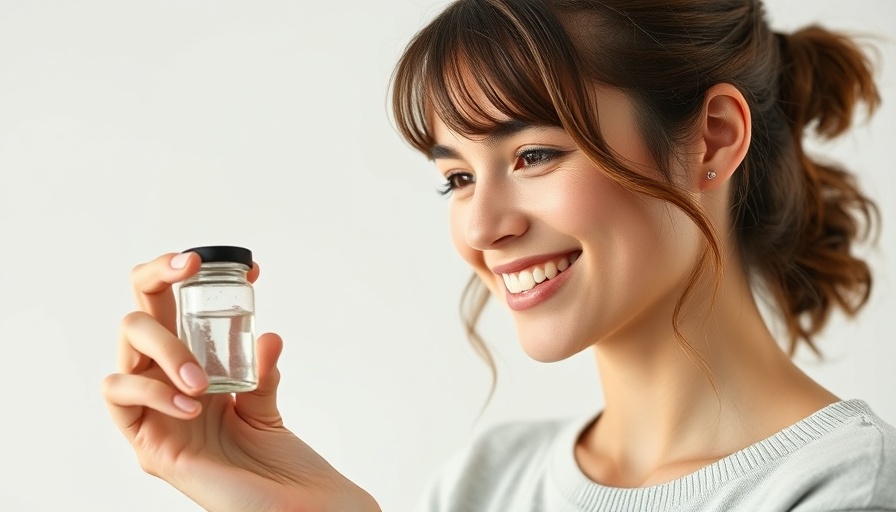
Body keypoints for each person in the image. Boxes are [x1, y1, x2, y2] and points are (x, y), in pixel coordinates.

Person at [102, 0, 896, 510]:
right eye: (454, 176)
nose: (479, 227)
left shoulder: (841, 485)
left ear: (712, 139)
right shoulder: (484, 485)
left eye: (534, 155)